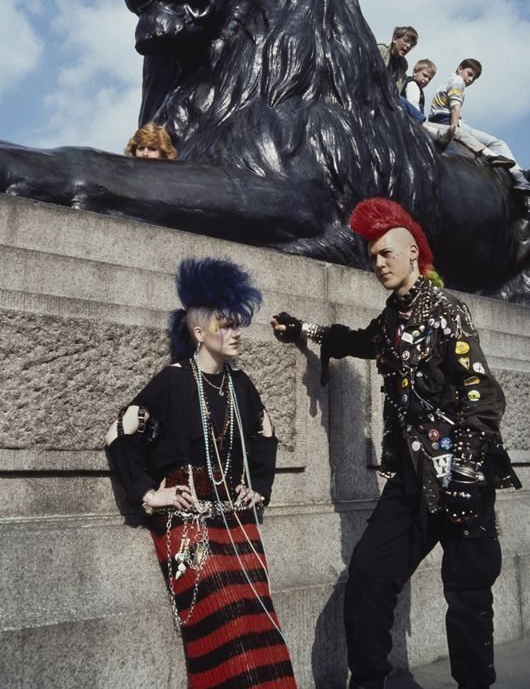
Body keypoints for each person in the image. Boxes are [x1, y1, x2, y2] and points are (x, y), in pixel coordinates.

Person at [271, 197, 521, 689]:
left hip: (460, 476)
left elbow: (483, 393)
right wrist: (305, 330)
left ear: (412, 252)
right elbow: (361, 341)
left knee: (468, 595)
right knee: (368, 575)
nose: (378, 263)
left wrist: (467, 469)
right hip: (410, 480)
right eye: (372, 258)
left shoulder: (447, 310)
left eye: (386, 253)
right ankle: (369, 681)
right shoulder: (390, 321)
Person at [105, 257, 296, 688]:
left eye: (237, 324)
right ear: (199, 333)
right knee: (224, 607)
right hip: (187, 518)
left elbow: (267, 434)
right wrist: (150, 494)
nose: (235, 333)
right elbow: (117, 433)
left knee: (259, 615)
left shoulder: (240, 384)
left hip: (233, 517)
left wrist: (259, 487)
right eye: (226, 325)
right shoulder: (173, 381)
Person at [428, 59, 530, 196]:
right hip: (451, 123)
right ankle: (519, 177)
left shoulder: (444, 85)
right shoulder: (457, 82)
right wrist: (454, 128)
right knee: (497, 143)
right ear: (460, 68)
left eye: (474, 78)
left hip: (438, 121)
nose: (470, 79)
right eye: (469, 74)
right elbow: (455, 107)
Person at [400, 58, 455, 149]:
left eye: (429, 79)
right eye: (425, 75)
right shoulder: (413, 85)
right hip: (413, 120)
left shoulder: (417, 87)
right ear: (415, 72)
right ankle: (435, 133)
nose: (426, 80)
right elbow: (412, 103)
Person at [378, 26, 419, 93]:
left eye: (411, 45)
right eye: (406, 41)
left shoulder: (403, 66)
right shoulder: (381, 51)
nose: (408, 46)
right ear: (395, 39)